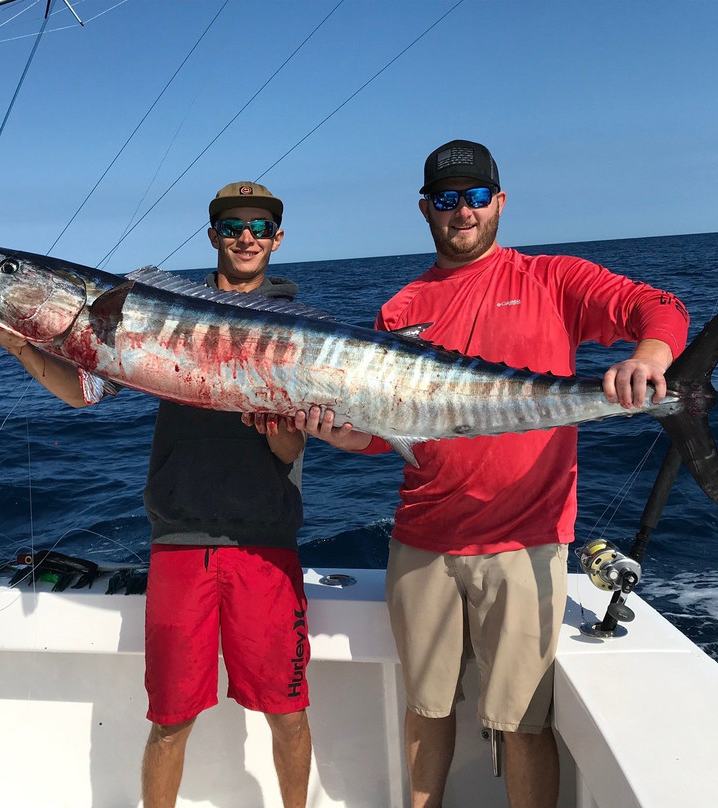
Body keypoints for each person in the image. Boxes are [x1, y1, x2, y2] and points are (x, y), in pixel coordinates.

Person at [296, 140, 690, 808]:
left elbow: (658, 307)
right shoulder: (399, 309)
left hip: (525, 543)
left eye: (476, 197)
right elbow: (387, 431)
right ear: (426, 209)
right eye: (447, 199)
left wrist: (651, 357)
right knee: (426, 709)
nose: (463, 212)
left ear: (499, 202)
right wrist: (341, 435)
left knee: (522, 725)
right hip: (422, 542)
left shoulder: (554, 280)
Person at [0, 181, 313, 808]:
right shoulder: (156, 313)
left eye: (260, 227)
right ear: (213, 234)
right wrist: (23, 347)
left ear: (277, 237)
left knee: (287, 715)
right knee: (169, 722)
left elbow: (290, 453)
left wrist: (284, 434)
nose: (246, 237)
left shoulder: (295, 325)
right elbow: (86, 391)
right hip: (180, 544)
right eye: (232, 226)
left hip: (265, 545)